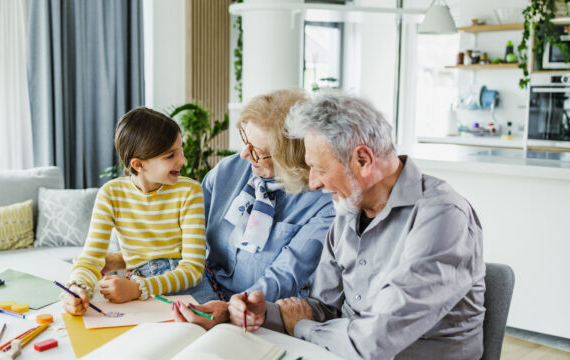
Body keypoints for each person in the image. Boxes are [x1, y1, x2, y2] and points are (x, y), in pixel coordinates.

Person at [229, 91, 485, 359]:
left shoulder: (443, 216)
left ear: (362, 160)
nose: (314, 183)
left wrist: (302, 327)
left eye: (321, 169)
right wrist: (267, 312)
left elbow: (376, 340)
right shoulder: (348, 209)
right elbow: (324, 306)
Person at [99, 89, 334, 327]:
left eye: (258, 152)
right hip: (197, 290)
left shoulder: (323, 203)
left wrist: (231, 309)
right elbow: (184, 238)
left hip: (256, 315)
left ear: (289, 158)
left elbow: (285, 277)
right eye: (245, 140)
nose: (244, 154)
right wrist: (121, 259)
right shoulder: (228, 171)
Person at [63, 107, 206, 316]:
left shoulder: (189, 191)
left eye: (180, 149)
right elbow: (91, 259)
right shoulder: (111, 194)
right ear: (138, 165)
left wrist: (139, 288)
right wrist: (76, 288)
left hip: (180, 286)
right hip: (137, 287)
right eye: (170, 155)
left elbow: (193, 270)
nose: (182, 160)